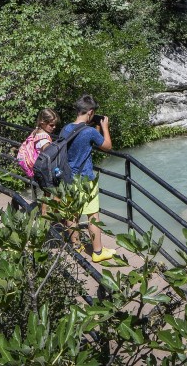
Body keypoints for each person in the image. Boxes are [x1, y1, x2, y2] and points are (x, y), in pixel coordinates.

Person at [60, 95, 116, 263]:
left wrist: (95, 129)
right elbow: (107, 146)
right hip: (85, 179)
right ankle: (98, 252)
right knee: (92, 215)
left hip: (68, 177)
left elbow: (86, 144)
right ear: (90, 112)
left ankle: (76, 245)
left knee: (72, 212)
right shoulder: (89, 131)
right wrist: (104, 127)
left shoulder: (66, 128)